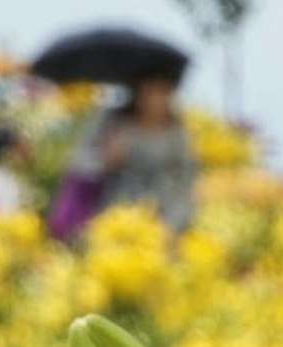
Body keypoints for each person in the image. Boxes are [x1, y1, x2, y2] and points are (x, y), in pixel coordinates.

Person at [79, 73, 199, 238]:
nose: (156, 99)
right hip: (111, 220)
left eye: (163, 91)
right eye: (150, 91)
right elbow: (77, 164)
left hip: (162, 224)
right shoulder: (112, 121)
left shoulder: (177, 135)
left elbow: (186, 186)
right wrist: (105, 160)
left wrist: (171, 226)